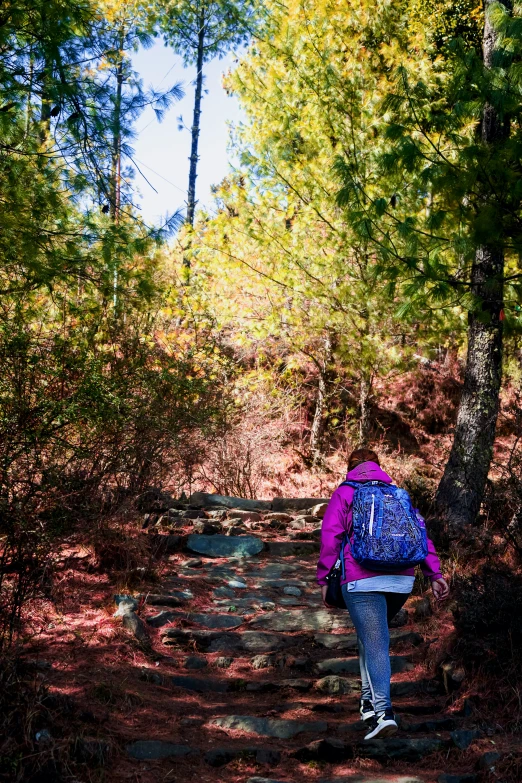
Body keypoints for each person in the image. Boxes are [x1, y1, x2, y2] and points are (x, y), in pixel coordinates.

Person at [317, 448, 449, 740]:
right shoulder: (397, 494)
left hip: (362, 578)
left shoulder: (345, 493)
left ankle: (384, 713)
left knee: (375, 640)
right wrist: (434, 574)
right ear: (378, 467)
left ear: (350, 467)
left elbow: (331, 536)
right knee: (371, 633)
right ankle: (367, 702)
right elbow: (420, 534)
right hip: (401, 580)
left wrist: (325, 577)